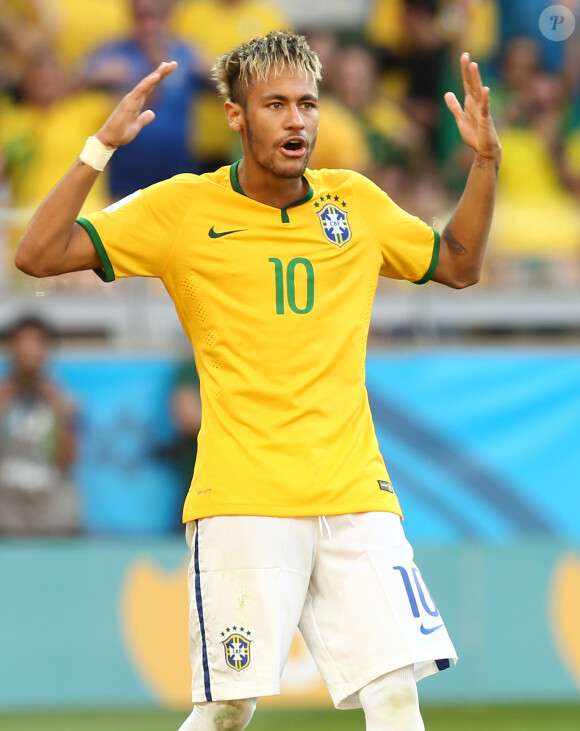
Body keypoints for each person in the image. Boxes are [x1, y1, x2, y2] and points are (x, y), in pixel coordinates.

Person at [14, 30, 501, 730]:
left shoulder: (355, 203)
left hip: (354, 492)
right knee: (226, 709)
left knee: (395, 693)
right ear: (237, 116)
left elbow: (457, 264)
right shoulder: (182, 208)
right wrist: (100, 149)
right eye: (275, 104)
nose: (296, 120)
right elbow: (36, 254)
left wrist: (485, 161)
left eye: (308, 103)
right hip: (244, 496)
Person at [0, 314, 79, 535]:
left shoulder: (64, 401)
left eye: (36, 343)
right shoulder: (3, 399)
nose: (28, 351)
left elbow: (69, 460)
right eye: (21, 342)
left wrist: (59, 413)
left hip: (53, 514)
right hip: (6, 513)